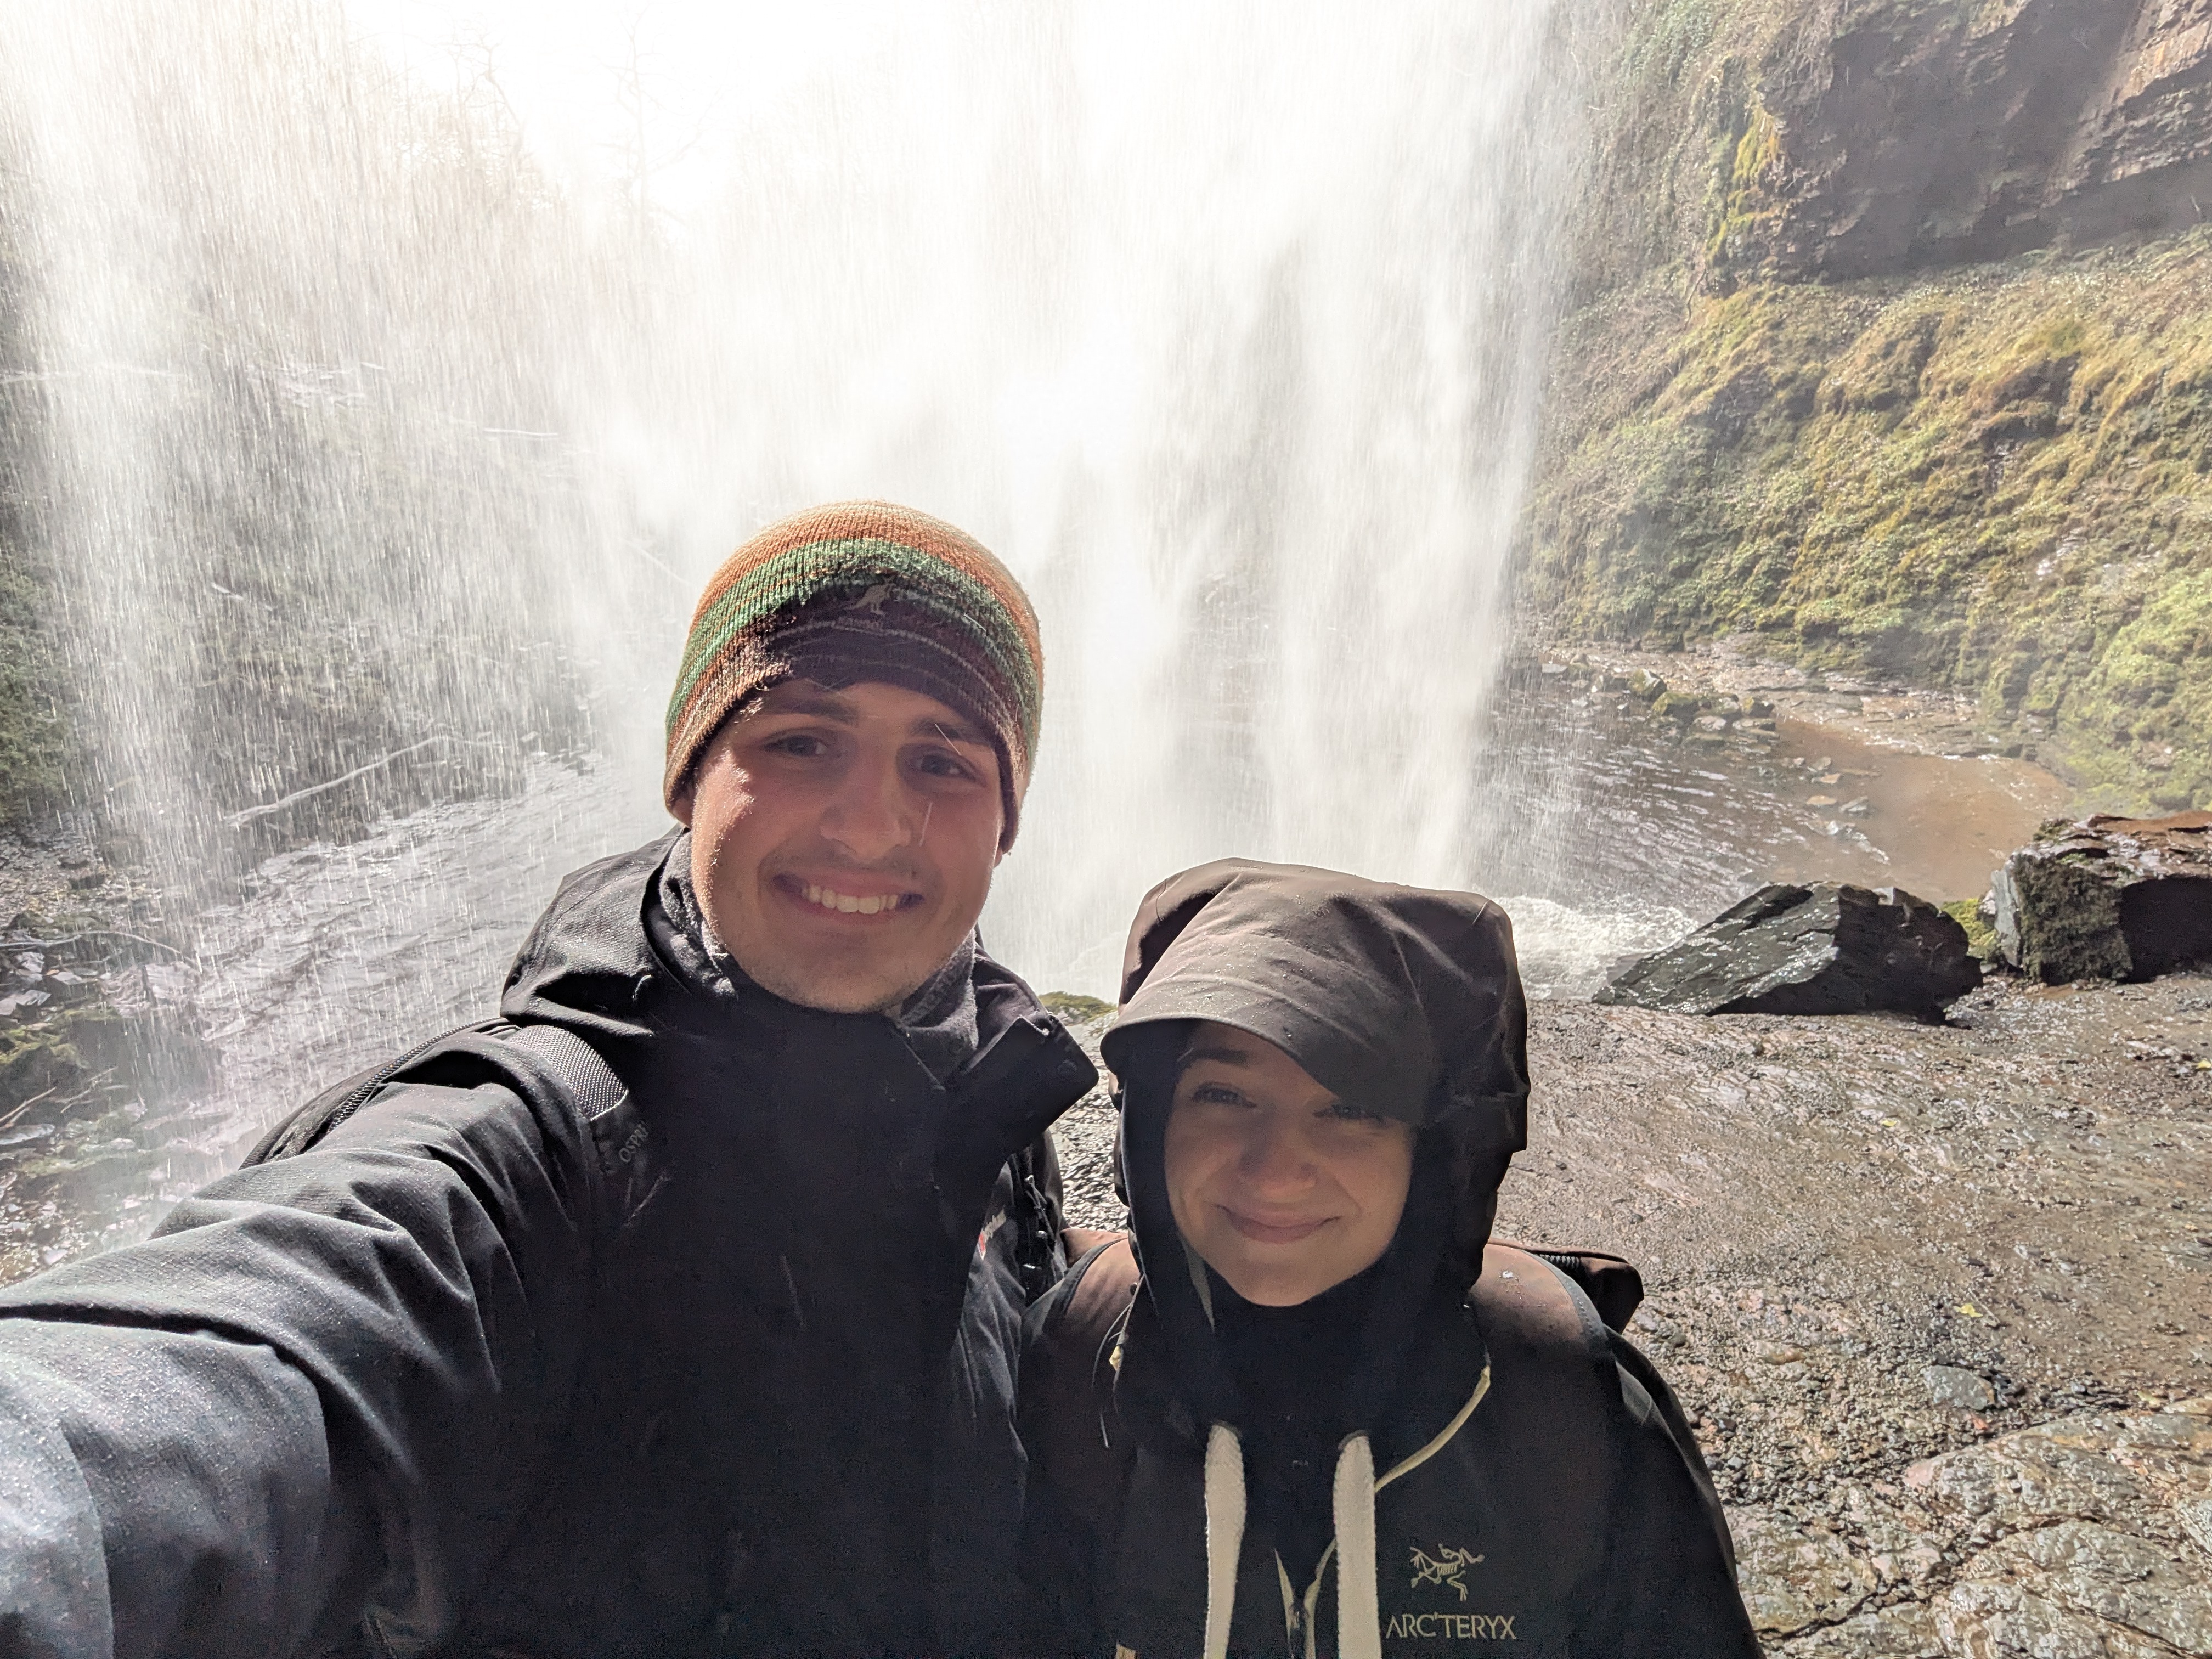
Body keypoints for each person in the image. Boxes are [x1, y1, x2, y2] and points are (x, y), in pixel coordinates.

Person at [0, 501, 1099, 1658]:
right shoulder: (525, 1161)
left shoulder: (991, 1104)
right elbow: (207, 1383)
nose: (872, 824)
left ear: (1006, 822)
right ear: (689, 778)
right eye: (802, 740)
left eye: (941, 760)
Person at [1019, 860, 1758, 1659]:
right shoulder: (1068, 1374)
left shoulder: (1571, 1419)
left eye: (1352, 1108)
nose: (1275, 1169)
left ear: (1442, 1156)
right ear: (1149, 1123)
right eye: (1224, 1096)